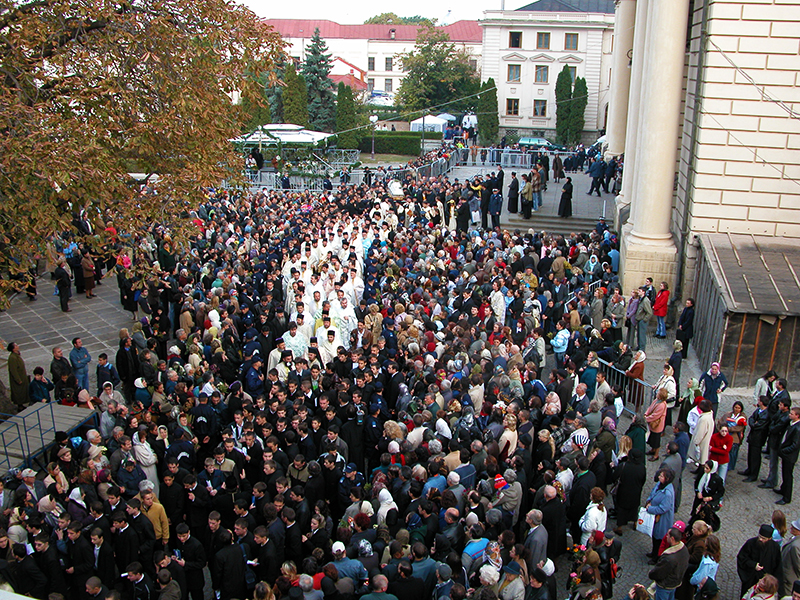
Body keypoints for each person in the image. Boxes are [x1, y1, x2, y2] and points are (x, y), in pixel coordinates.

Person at [737, 525, 782, 599]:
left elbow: (777, 566)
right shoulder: (751, 543)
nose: (760, 539)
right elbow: (742, 558)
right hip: (751, 578)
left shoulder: (775, 548)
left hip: (765, 582)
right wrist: (753, 565)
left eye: (763, 538)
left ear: (769, 539)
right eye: (760, 536)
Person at [648, 527, 689, 600]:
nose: (666, 536)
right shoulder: (684, 549)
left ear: (672, 538)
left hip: (665, 586)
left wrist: (651, 574)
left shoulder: (669, 558)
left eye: (668, 535)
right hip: (675, 582)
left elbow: (658, 572)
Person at [645, 468, 676, 561]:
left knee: (659, 538)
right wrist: (648, 501)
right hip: (656, 516)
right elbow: (653, 493)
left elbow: (663, 508)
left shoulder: (668, 493)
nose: (659, 477)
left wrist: (650, 508)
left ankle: (656, 557)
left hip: (662, 519)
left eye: (661, 476)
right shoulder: (660, 485)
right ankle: (653, 552)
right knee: (655, 536)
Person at [7, 342, 30, 411]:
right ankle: (20, 406)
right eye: (16, 345)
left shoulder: (16, 356)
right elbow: (13, 370)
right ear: (13, 349)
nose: (18, 346)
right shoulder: (12, 358)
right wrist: (18, 379)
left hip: (22, 377)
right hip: (19, 379)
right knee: (19, 393)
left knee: (23, 391)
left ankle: (22, 404)